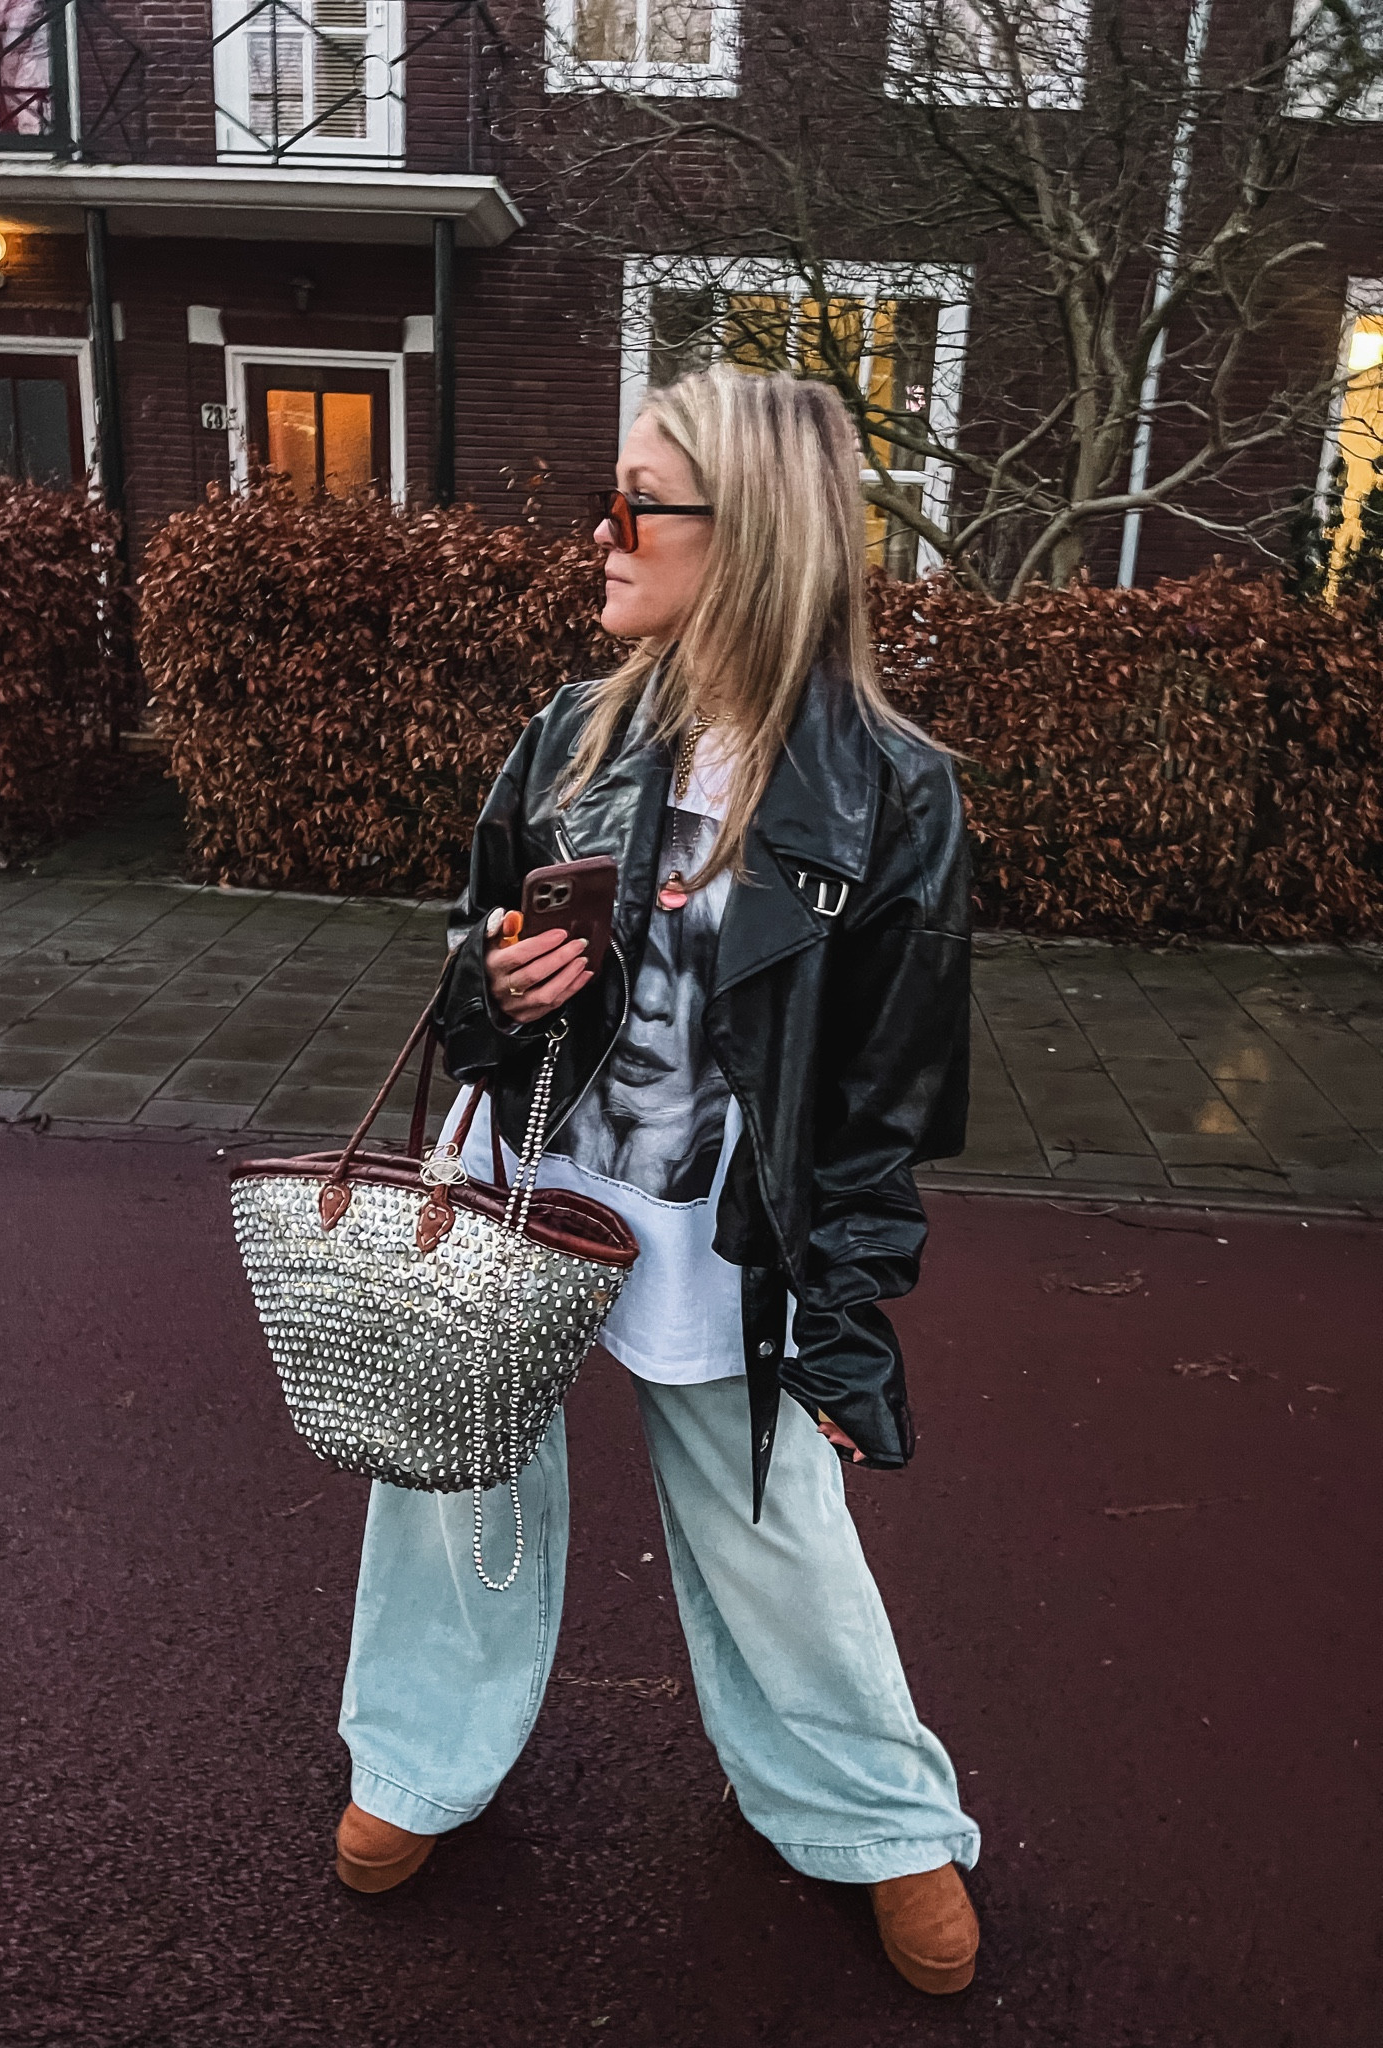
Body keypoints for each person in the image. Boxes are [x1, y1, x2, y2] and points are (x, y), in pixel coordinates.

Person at [333, 365, 982, 1996]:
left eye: (638, 502)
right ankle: (415, 1758)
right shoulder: (569, 735)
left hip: (729, 1231)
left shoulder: (891, 792)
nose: (602, 533)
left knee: (780, 1526)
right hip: (528, 1179)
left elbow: (884, 1097)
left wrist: (845, 1323)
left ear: (747, 533)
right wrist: (501, 989)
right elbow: (467, 958)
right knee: (452, 1484)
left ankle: (873, 1813)